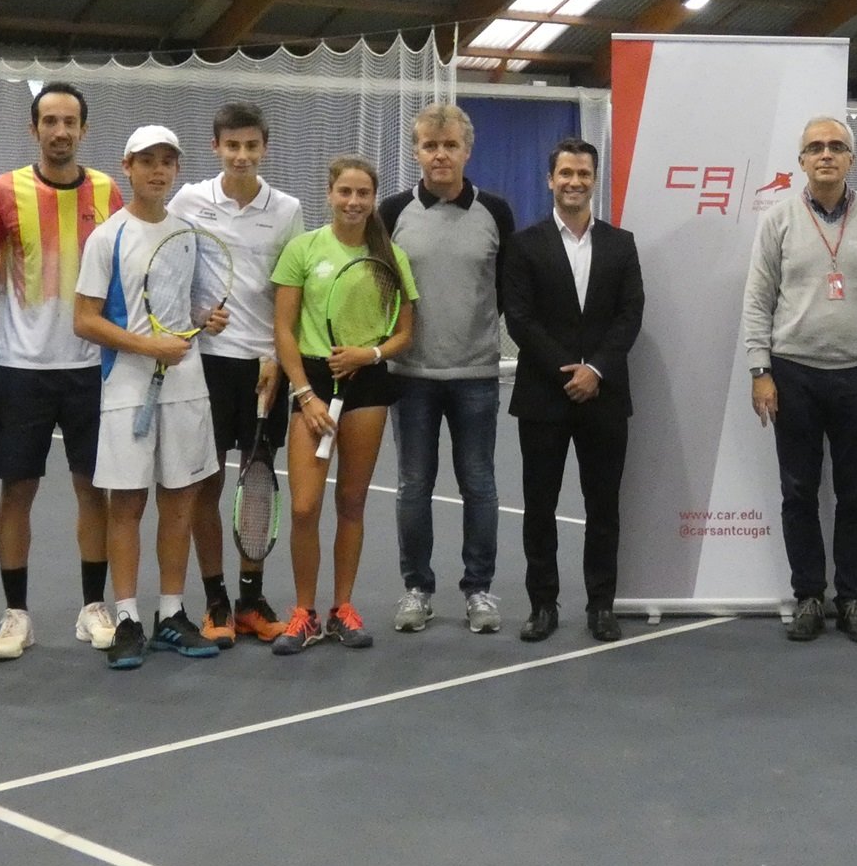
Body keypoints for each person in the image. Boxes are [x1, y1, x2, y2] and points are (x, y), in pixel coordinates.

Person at [743, 116, 857, 644]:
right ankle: (809, 595)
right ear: (802, 161)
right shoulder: (780, 220)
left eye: (836, 147)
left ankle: (853, 598)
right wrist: (760, 370)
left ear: (851, 159)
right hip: (793, 375)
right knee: (799, 492)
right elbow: (757, 299)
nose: (826, 155)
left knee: (856, 494)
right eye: (815, 147)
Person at [74, 126, 228, 671]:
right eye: (147, 162)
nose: (158, 171)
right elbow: (85, 319)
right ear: (127, 166)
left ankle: (169, 613)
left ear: (176, 170)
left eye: (167, 162)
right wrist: (147, 346)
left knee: (181, 499)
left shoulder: (187, 233)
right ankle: (127, 619)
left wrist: (203, 322)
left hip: (185, 385)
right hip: (126, 387)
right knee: (128, 505)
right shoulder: (106, 237)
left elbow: (187, 311)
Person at [0, 82, 122, 660]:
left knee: (95, 490)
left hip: (92, 369)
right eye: (49, 121)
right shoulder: (1, 191)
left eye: (70, 122)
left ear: (84, 130)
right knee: (19, 490)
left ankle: (94, 607)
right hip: (22, 368)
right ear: (33, 128)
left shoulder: (110, 191)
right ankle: (17, 616)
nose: (60, 131)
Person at [167, 103, 304, 646]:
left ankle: (251, 598)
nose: (241, 155)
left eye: (251, 146)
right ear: (215, 147)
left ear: (264, 147)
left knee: (259, 487)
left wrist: (277, 353)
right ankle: (216, 599)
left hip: (266, 369)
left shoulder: (288, 209)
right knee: (207, 482)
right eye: (232, 146)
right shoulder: (189, 201)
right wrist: (197, 318)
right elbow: (168, 269)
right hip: (204, 367)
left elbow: (291, 293)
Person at [271, 158, 417, 656]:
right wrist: (305, 396)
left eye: (363, 194)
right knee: (304, 505)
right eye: (345, 192)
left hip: (368, 384)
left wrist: (369, 354)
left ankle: (342, 609)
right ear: (329, 193)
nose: (354, 202)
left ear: (373, 199)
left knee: (351, 502)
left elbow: (403, 333)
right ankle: (303, 613)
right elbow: (284, 331)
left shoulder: (390, 256)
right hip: (311, 381)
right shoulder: (302, 249)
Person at [501, 139, 645, 644]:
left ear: (594, 178)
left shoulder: (621, 244)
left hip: (604, 397)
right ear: (550, 179)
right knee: (539, 507)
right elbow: (518, 318)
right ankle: (542, 605)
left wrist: (597, 370)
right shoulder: (523, 245)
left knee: (603, 507)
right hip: (544, 397)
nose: (574, 182)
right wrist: (568, 371)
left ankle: (601, 605)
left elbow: (630, 316)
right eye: (565, 173)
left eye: (584, 173)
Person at [382, 103, 514, 635]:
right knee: (414, 485)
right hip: (408, 378)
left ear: (467, 150)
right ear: (416, 151)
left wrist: (473, 338)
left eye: (450, 145)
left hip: (477, 377)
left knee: (479, 484)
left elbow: (505, 290)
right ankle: (417, 590)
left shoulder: (496, 212)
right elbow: (378, 287)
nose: (440, 155)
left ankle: (479, 591)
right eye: (430, 146)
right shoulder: (391, 212)